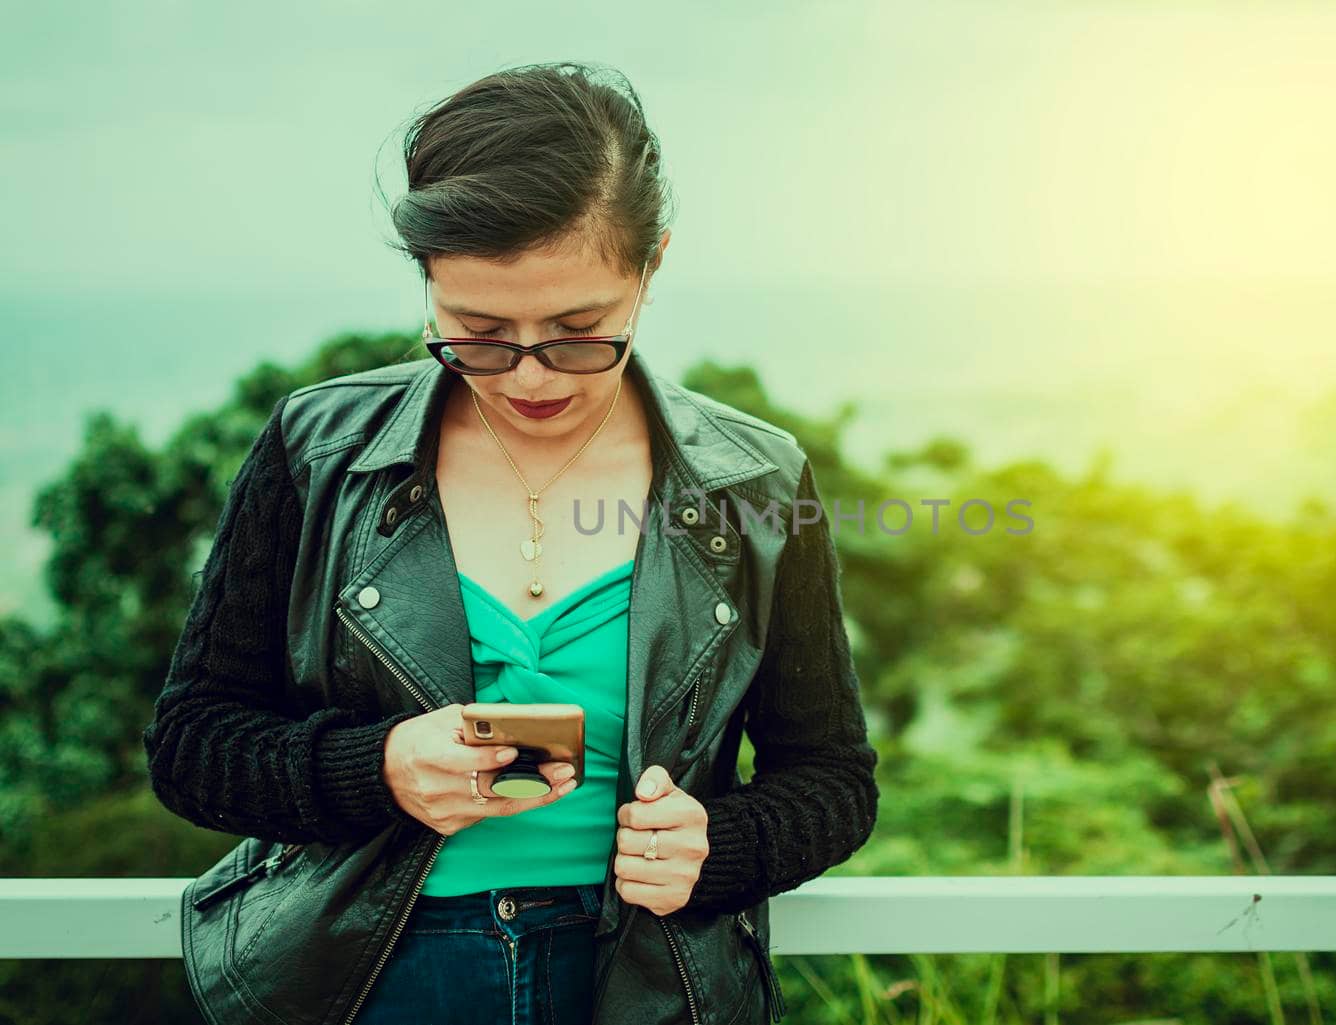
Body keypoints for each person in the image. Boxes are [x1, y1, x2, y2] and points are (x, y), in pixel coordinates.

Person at [142, 61, 879, 1025]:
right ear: (427, 286)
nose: (530, 376)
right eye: (478, 332)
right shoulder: (316, 449)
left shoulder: (755, 482)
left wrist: (720, 847)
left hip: (642, 980)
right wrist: (379, 768)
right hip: (364, 977)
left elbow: (832, 778)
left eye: (580, 332)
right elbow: (193, 743)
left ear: (651, 264)